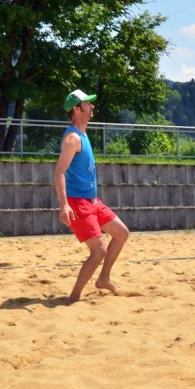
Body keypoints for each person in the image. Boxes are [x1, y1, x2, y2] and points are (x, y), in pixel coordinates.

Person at [53, 89, 130, 303]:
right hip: (78, 203)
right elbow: (58, 172)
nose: (92, 106)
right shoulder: (72, 138)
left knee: (122, 233)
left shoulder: (83, 135)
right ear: (77, 109)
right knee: (99, 250)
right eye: (87, 103)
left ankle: (103, 279)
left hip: (93, 201)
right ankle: (74, 297)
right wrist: (64, 205)